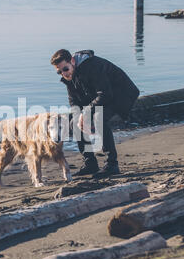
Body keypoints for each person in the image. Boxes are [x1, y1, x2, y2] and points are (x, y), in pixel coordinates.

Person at [50, 49, 140, 178]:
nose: (63, 74)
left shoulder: (92, 66)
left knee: (99, 118)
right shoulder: (69, 76)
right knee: (74, 122)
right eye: (59, 72)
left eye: (65, 69)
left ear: (73, 61)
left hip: (121, 95)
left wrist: (86, 112)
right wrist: (79, 117)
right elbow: (73, 101)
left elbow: (105, 94)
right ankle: (90, 164)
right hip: (101, 97)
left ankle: (112, 164)